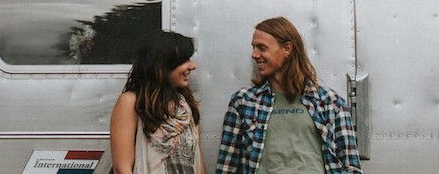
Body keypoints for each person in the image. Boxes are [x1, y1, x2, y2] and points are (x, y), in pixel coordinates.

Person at [216, 17, 361, 174]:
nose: (254, 55)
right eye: (253, 47)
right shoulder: (243, 102)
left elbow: (351, 168)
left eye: (262, 48)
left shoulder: (330, 103)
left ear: (287, 49)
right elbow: (227, 168)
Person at [111, 31, 203, 174]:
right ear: (164, 64)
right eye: (185, 60)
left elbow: (197, 161)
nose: (192, 66)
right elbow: (122, 168)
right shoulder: (131, 102)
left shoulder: (186, 105)